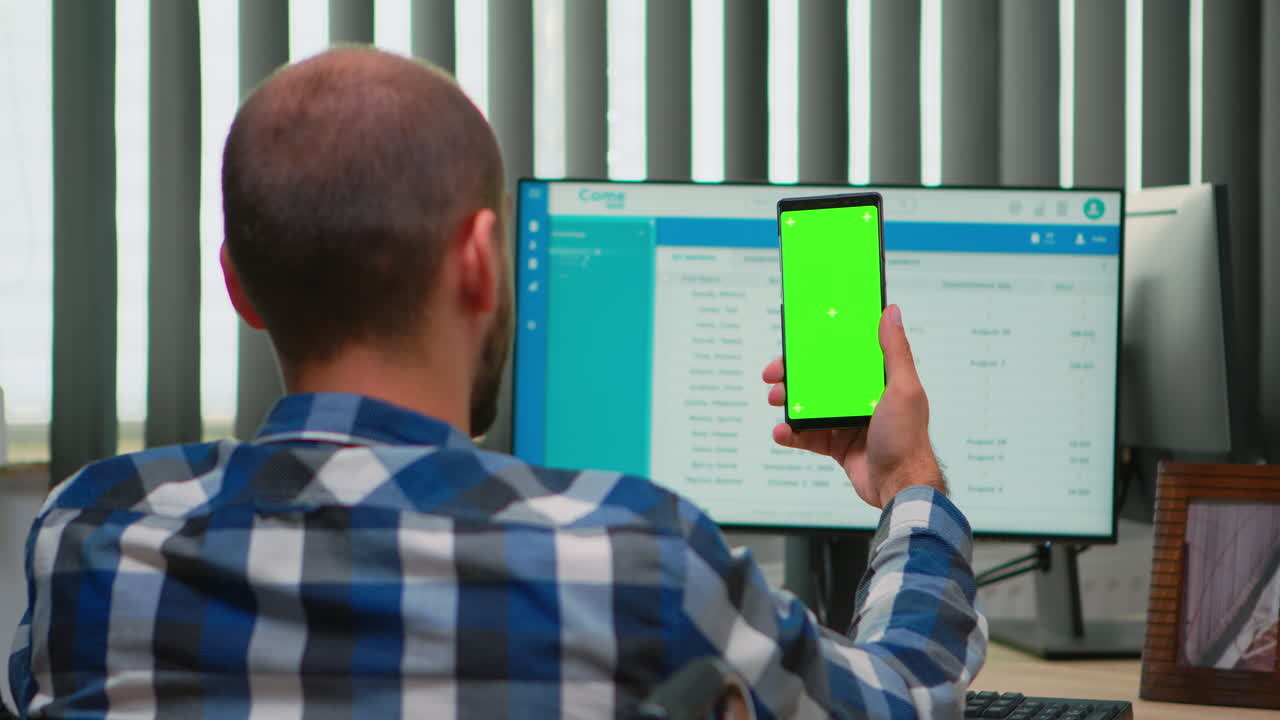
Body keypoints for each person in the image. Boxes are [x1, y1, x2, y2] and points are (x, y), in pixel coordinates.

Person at [6, 48, 985, 718]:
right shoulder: (635, 562)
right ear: (479, 260)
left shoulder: (87, 542)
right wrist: (907, 486)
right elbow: (901, 697)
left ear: (240, 287)